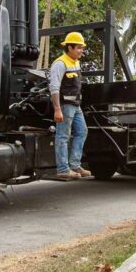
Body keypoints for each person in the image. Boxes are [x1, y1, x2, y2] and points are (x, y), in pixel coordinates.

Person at [49, 32, 90, 180]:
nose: (81, 51)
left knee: (82, 131)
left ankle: (74, 164)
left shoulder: (76, 63)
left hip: (75, 105)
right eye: (79, 48)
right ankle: (63, 169)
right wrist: (57, 109)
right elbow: (54, 87)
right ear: (70, 47)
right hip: (65, 106)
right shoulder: (60, 64)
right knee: (63, 136)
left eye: (82, 48)